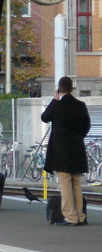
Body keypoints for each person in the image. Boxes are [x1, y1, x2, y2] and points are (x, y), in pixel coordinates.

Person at [41, 76, 90, 225]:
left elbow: (45, 117)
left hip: (61, 151)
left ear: (59, 89)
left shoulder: (57, 105)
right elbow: (86, 126)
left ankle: (70, 217)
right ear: (72, 88)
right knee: (76, 182)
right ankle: (80, 216)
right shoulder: (80, 105)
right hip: (77, 149)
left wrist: (54, 100)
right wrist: (77, 138)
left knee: (65, 184)